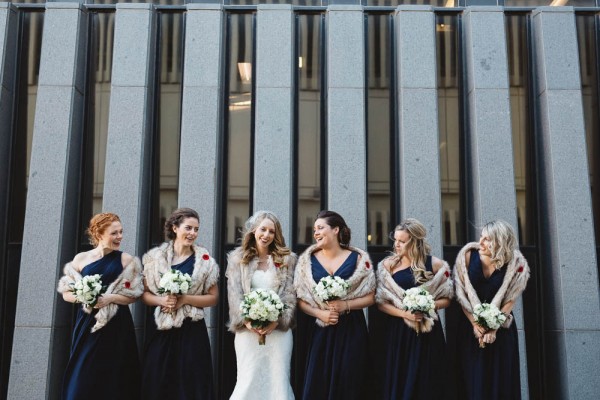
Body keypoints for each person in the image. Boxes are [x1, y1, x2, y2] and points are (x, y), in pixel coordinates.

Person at [57, 212, 143, 400]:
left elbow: (134, 295)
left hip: (117, 326)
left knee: (115, 377)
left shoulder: (126, 260)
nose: (119, 237)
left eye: (121, 232)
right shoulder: (81, 259)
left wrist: (110, 297)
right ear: (99, 234)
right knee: (82, 374)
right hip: (88, 325)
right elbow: (66, 293)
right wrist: (86, 298)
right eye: (114, 233)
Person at [294, 210, 376, 400]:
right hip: (319, 331)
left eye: (320, 228)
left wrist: (345, 305)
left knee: (350, 380)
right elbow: (301, 299)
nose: (315, 233)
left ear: (336, 230)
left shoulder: (358, 259)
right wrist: (319, 313)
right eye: (314, 229)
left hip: (351, 329)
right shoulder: (306, 261)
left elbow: (371, 296)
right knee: (318, 382)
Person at [141, 208, 219, 400]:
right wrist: (161, 300)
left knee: (192, 382)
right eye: (188, 228)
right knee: (158, 379)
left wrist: (184, 300)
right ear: (175, 228)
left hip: (192, 330)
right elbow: (143, 293)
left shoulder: (204, 261)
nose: (193, 233)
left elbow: (213, 298)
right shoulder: (155, 258)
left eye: (196, 229)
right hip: (162, 329)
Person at [375, 219, 453, 399]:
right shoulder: (389, 265)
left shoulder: (435, 264)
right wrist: (404, 313)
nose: (397, 245)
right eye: (395, 240)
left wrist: (427, 305)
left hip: (428, 332)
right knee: (400, 379)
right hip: (398, 332)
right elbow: (380, 303)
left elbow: (447, 298)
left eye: (402, 241)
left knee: (427, 380)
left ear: (415, 241)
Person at [453, 220, 530, 400]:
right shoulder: (467, 257)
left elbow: (510, 299)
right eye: (481, 237)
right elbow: (462, 295)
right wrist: (475, 324)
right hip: (470, 330)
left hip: (501, 331)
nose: (480, 242)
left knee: (500, 381)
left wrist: (494, 328)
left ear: (500, 241)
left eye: (487, 239)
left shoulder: (515, 263)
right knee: (472, 381)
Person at [226, 210, 297, 400]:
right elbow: (234, 295)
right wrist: (247, 321)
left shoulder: (287, 259)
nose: (266, 235)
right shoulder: (237, 259)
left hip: (278, 334)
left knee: (278, 380)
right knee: (248, 379)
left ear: (276, 235)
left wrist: (278, 321)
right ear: (254, 231)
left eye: (271, 231)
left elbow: (289, 295)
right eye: (262, 230)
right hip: (248, 333)